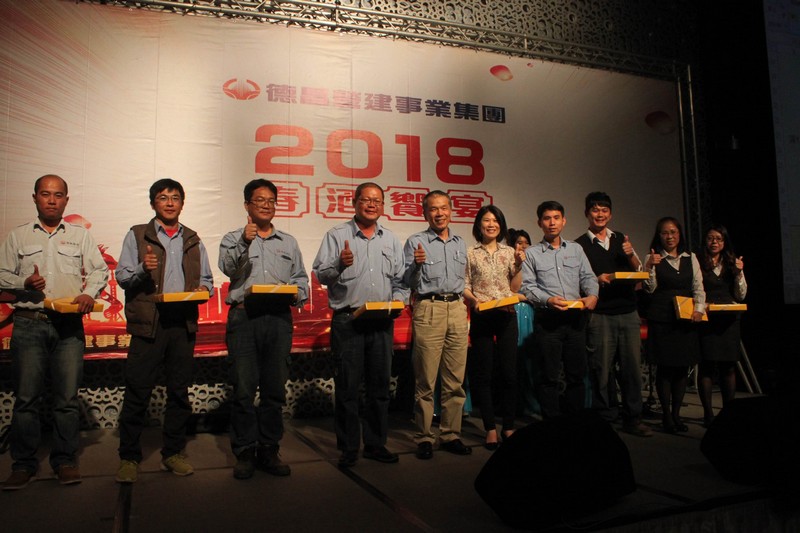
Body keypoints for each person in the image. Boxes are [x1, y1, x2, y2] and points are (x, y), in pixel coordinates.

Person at [0, 175, 109, 490]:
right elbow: (1, 273)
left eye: (58, 195)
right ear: (35, 197)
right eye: (45, 194)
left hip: (68, 325)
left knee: (66, 398)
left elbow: (100, 270)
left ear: (66, 200)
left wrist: (88, 293)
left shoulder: (79, 236)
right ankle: (23, 465)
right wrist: (23, 282)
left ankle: (65, 461)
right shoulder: (18, 235)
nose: (51, 200)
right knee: (26, 399)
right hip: (29, 323)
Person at [115, 179, 214, 483]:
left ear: (182, 203)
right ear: (153, 203)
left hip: (182, 323)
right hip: (149, 324)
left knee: (179, 392)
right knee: (137, 392)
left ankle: (173, 453)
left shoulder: (193, 239)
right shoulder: (137, 235)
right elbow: (122, 277)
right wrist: (142, 268)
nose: (170, 203)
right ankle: (129, 457)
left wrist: (203, 290)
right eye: (163, 198)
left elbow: (208, 281)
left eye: (175, 198)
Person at [312, 182, 408, 467]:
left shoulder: (390, 239)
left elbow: (401, 281)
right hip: (348, 321)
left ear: (383, 206)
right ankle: (349, 447)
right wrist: (340, 264)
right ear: (354, 202)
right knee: (348, 388)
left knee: (380, 388)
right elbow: (321, 275)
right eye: (366, 199)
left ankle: (376, 444)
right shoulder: (337, 235)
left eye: (377, 201)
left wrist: (399, 301)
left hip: (381, 322)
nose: (371, 204)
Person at [219, 179, 309, 479]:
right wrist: (244, 243)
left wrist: (296, 293)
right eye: (260, 200)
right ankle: (244, 451)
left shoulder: (288, 242)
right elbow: (228, 269)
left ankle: (269, 448)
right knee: (243, 389)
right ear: (247, 205)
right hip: (245, 318)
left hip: (279, 319)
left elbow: (301, 278)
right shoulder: (233, 238)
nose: (266, 205)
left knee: (274, 389)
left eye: (271, 201)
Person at [574, 192, 652, 437]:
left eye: (604, 210)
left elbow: (640, 272)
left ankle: (633, 418)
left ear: (610, 214)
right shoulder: (579, 245)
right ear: (587, 213)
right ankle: (605, 418)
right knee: (601, 370)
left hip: (628, 311)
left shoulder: (621, 239)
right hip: (600, 314)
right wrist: (595, 280)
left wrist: (630, 253)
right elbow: (577, 280)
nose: (600, 214)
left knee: (631, 369)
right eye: (595, 210)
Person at [403, 191, 472, 460]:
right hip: (429, 308)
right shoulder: (416, 242)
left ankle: (451, 434)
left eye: (444, 208)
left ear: (451, 211)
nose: (439, 213)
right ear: (425, 213)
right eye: (433, 209)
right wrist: (416, 266)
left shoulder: (459, 243)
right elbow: (405, 281)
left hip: (456, 308)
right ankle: (424, 436)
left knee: (455, 380)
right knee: (426, 380)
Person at [520, 201, 598, 419]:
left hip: (575, 320)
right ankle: (552, 424)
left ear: (564, 221)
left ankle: (575, 423)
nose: (552, 223)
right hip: (548, 321)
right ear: (539, 223)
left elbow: (588, 277)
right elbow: (527, 287)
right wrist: (548, 300)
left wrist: (593, 295)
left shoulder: (575, 249)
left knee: (577, 375)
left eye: (556, 218)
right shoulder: (532, 253)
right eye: (547, 218)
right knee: (548, 376)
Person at [463, 205, 523, 449]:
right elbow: (465, 285)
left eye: (495, 220)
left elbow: (515, 288)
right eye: (486, 220)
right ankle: (490, 428)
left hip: (506, 315)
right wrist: (474, 302)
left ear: (501, 225)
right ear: (479, 225)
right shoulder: (470, 253)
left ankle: (508, 426)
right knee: (483, 374)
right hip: (482, 315)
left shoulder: (510, 252)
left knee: (509, 373)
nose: (491, 224)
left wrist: (518, 265)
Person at [643, 217, 704, 433]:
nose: (670, 237)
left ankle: (677, 414)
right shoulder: (653, 257)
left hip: (685, 320)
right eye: (665, 233)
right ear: (659, 236)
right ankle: (666, 416)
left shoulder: (691, 258)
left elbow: (698, 287)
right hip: (662, 319)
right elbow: (649, 289)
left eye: (673, 232)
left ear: (679, 234)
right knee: (665, 369)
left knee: (681, 368)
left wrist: (699, 309)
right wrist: (650, 267)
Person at [697, 224, 746, 427]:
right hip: (707, 319)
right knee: (707, 367)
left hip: (728, 320)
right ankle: (708, 414)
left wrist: (739, 273)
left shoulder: (732, 263)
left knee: (728, 367)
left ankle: (728, 412)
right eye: (710, 238)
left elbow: (741, 295)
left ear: (724, 242)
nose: (714, 242)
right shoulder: (698, 261)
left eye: (718, 239)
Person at [508, 228, 539, 417]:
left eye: (527, 243)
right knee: (516, 361)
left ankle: (532, 404)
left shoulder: (534, 261)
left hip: (531, 312)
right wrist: (525, 296)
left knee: (531, 362)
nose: (524, 246)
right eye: (519, 243)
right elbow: (510, 290)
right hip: (516, 312)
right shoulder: (509, 262)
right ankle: (516, 405)